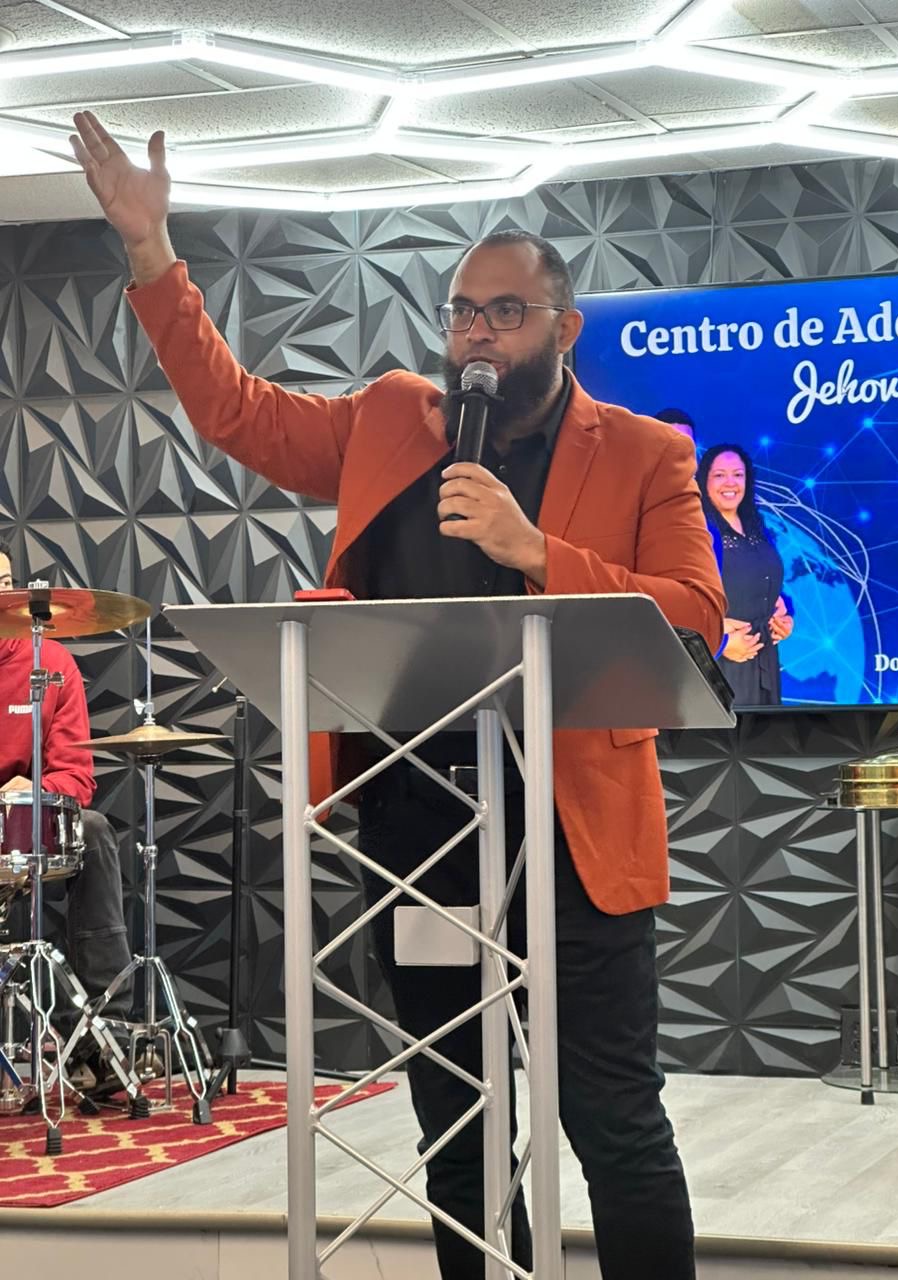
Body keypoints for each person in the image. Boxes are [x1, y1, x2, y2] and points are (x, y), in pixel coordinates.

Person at [70, 110, 726, 1280]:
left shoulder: (643, 452)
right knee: (458, 1125)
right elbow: (234, 410)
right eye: (462, 311)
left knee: (613, 1122)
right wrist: (150, 250)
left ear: (565, 326)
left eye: (505, 311)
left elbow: (695, 612)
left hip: (573, 837)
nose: (477, 333)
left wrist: (536, 549)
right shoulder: (390, 418)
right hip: (422, 831)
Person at [0, 542, 133, 1078]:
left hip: (23, 821)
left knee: (93, 831)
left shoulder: (51, 662)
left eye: (5, 583)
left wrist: (30, 792)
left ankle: (104, 1034)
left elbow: (77, 775)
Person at [695, 444, 794, 706]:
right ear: (704, 481)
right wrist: (721, 640)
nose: (730, 483)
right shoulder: (697, 530)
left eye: (738, 475)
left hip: (764, 661)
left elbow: (765, 581)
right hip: (722, 664)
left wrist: (785, 615)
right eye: (719, 475)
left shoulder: (756, 526)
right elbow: (680, 598)